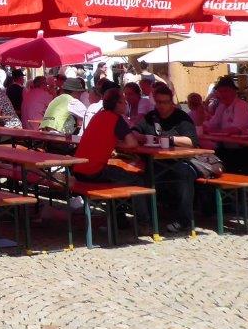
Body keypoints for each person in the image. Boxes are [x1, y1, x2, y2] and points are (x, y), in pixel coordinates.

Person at [72, 87, 150, 233]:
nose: (126, 104)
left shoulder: (98, 116)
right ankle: (144, 224)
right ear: (117, 104)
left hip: (79, 170)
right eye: (123, 101)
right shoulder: (116, 119)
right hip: (93, 171)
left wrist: (112, 143)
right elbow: (132, 143)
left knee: (116, 177)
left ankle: (119, 220)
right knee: (137, 180)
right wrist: (117, 144)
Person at [133, 83, 199, 235]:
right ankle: (147, 220)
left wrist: (170, 139)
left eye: (165, 102)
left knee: (185, 174)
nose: (161, 106)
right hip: (156, 162)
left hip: (180, 161)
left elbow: (191, 141)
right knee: (140, 176)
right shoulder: (151, 116)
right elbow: (134, 131)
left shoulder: (182, 118)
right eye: (159, 102)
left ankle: (184, 221)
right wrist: (142, 137)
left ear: (171, 102)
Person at [203, 77, 248, 172]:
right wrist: (203, 126)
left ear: (234, 92)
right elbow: (212, 124)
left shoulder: (241, 105)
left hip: (243, 151)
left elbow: (234, 130)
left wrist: (213, 131)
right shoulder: (222, 106)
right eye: (220, 91)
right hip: (227, 148)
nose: (222, 94)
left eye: (225, 91)